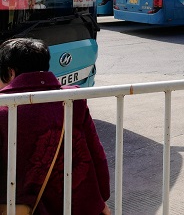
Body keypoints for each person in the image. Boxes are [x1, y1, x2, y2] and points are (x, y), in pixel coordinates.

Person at [0, 38, 111, 215]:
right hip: (77, 204)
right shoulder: (73, 99)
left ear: (10, 73)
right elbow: (96, 152)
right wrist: (101, 198)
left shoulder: (4, 110)